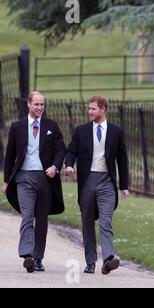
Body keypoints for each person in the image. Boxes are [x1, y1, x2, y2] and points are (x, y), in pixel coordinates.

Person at [2, 91, 66, 273]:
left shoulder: (52, 126)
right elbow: (10, 156)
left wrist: (55, 166)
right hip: (23, 178)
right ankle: (27, 255)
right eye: (36, 104)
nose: (39, 108)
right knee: (27, 216)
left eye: (42, 105)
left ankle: (38, 258)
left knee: (42, 220)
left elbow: (61, 150)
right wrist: (6, 181)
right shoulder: (17, 127)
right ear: (28, 105)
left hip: (45, 179)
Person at [65, 95, 129, 275]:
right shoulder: (81, 130)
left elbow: (122, 159)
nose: (89, 112)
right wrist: (69, 165)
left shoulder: (116, 132)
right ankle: (90, 261)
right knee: (87, 222)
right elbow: (71, 150)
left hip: (107, 182)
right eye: (89, 108)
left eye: (93, 109)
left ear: (103, 109)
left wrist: (124, 185)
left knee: (106, 221)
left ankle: (108, 258)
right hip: (87, 181)